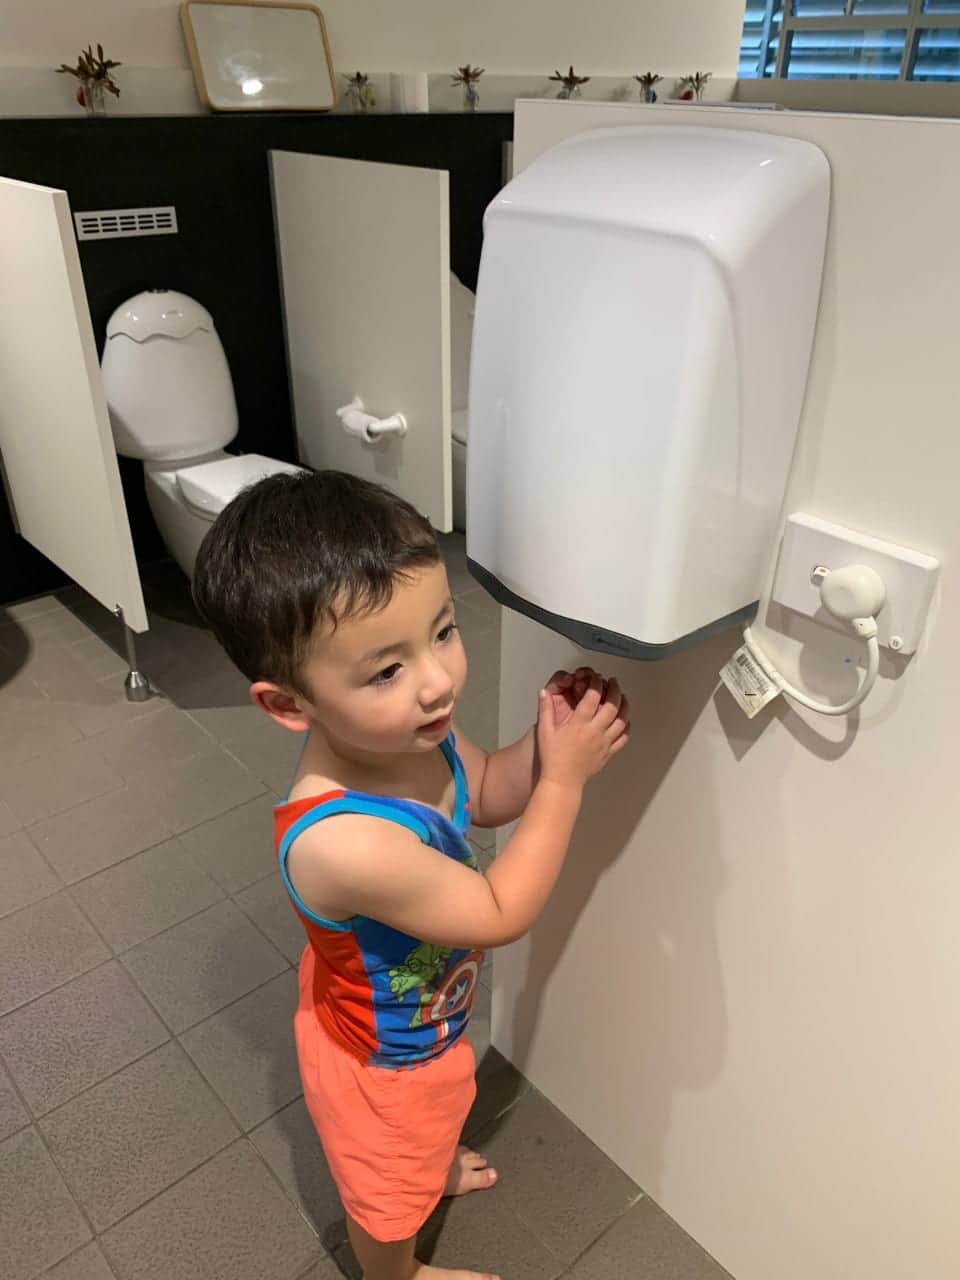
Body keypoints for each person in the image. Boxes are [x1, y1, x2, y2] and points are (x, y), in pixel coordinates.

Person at [192, 469, 630, 1280]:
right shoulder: (344, 842)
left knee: (435, 1122)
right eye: (385, 670)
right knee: (385, 1195)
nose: (436, 680)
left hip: (426, 1019)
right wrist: (565, 781)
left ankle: (427, 1164)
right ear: (290, 706)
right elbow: (498, 908)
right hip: (380, 1064)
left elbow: (490, 789)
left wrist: (545, 746)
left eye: (442, 631)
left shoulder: (410, 738)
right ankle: (398, 1273)